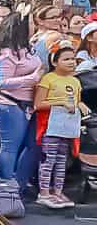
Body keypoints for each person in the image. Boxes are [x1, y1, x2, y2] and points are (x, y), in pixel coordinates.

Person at [0, 12, 43, 218]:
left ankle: (16, 186)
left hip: (29, 103)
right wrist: (32, 78)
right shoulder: (4, 53)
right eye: (30, 23)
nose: (33, 26)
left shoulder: (28, 49)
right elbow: (2, 82)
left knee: (33, 144)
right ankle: (4, 189)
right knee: (11, 146)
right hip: (8, 103)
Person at [36, 43, 87, 209]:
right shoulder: (48, 79)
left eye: (73, 59)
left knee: (61, 160)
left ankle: (57, 191)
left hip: (67, 127)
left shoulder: (75, 81)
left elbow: (75, 101)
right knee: (48, 159)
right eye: (66, 59)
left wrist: (79, 105)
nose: (71, 62)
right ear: (55, 61)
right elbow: (38, 104)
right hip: (50, 126)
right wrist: (60, 102)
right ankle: (44, 192)